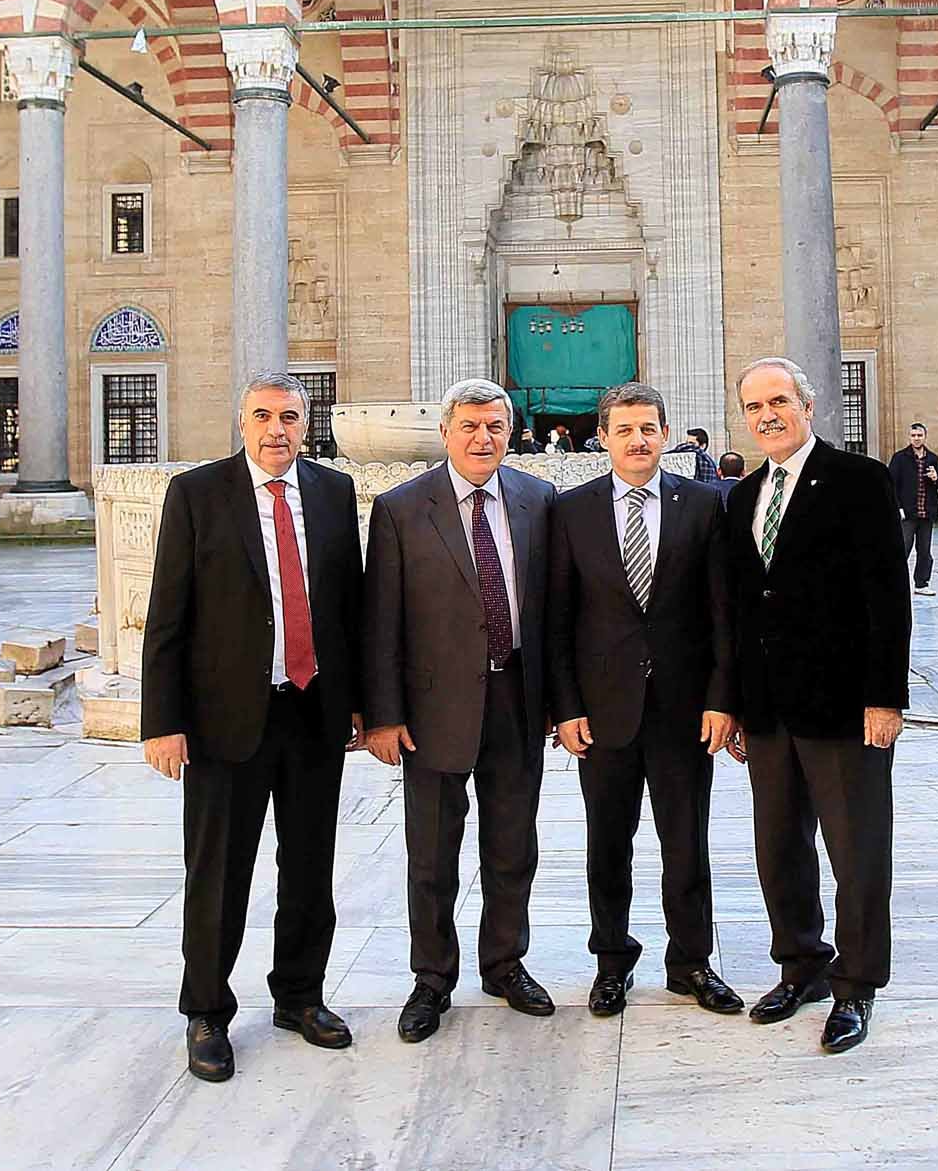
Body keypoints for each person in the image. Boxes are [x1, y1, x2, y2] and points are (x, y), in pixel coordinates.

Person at [140, 374, 366, 1083]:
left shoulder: (332, 493)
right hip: (224, 721)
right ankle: (207, 1010)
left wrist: (357, 701)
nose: (277, 428)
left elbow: (347, 607)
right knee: (218, 872)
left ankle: (299, 995)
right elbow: (167, 616)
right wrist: (162, 722)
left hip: (312, 713)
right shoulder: (197, 494)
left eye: (290, 416)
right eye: (263, 415)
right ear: (240, 421)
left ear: (308, 423)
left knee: (309, 869)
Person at [723, 355, 910, 1055]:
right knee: (779, 849)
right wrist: (736, 703)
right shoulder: (742, 497)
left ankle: (856, 984)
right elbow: (743, 609)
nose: (766, 414)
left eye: (778, 400)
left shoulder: (859, 481)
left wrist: (884, 697)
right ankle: (800, 963)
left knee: (856, 851)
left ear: (808, 404)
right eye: (753, 405)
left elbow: (887, 599)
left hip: (845, 708)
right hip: (770, 712)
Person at [363, 377, 560, 1041]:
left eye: (495, 426)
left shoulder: (539, 500)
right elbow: (380, 619)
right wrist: (383, 715)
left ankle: (505, 963)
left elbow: (554, 612)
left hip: (517, 700)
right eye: (470, 425)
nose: (483, 438)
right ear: (446, 432)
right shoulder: (399, 509)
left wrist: (562, 705)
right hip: (432, 709)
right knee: (433, 853)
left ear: (512, 432)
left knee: (512, 846)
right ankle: (432, 978)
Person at [545, 381, 745, 1019]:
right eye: (624, 429)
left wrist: (722, 699)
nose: (637, 440)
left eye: (648, 429)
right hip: (602, 713)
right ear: (602, 438)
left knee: (686, 840)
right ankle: (611, 962)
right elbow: (559, 621)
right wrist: (566, 707)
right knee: (609, 841)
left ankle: (691, 962)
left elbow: (722, 613)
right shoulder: (570, 510)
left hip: (685, 710)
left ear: (666, 434)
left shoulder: (704, 505)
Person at [887, 422, 938, 592]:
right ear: (909, 437)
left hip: (926, 512)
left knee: (925, 551)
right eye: (913, 435)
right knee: (902, 548)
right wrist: (897, 508)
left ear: (925, 437)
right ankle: (893, 582)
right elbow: (891, 484)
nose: (916, 438)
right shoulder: (900, 458)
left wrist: (936, 478)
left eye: (919, 435)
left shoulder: (933, 458)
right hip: (907, 512)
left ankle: (921, 584)